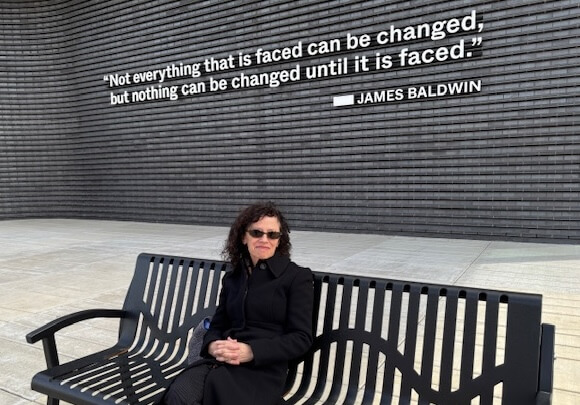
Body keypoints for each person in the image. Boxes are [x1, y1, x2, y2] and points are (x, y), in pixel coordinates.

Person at [162, 201, 314, 405]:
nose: (264, 239)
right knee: (179, 396)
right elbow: (218, 324)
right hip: (221, 361)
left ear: (280, 240)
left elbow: (301, 338)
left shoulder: (296, 277)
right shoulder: (233, 278)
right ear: (244, 237)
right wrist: (213, 345)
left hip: (261, 370)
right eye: (256, 233)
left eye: (272, 234)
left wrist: (251, 351)